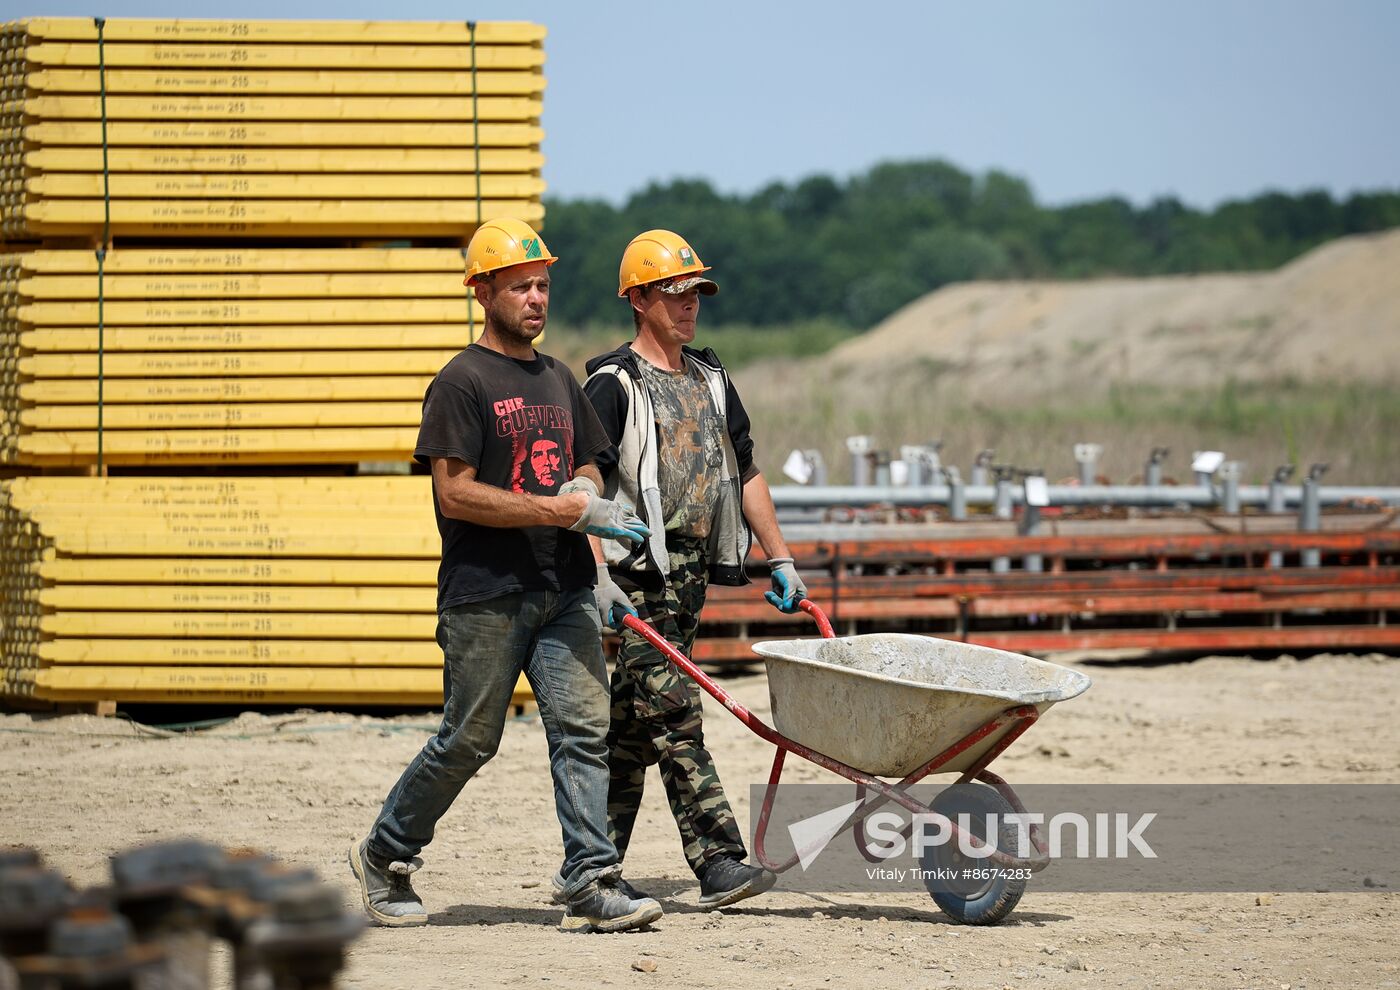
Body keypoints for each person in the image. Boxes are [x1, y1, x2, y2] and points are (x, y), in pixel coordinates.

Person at [348, 218, 664, 934]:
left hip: (564, 591)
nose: (535, 298)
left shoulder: (557, 376)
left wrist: (585, 500)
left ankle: (591, 879)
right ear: (482, 290)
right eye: (520, 285)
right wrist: (558, 512)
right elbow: (454, 492)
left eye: (544, 285)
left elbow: (588, 460)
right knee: (469, 738)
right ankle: (384, 851)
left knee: (584, 729)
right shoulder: (460, 382)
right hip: (485, 593)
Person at [579, 229, 808, 908]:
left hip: (691, 576)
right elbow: (582, 485)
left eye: (697, 294)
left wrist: (782, 557)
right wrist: (598, 577)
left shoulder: (711, 380)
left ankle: (591, 868)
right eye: (677, 294)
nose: (690, 307)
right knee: (676, 713)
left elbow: (748, 472)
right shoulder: (612, 385)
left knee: (629, 733)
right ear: (640, 299)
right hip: (638, 574)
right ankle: (718, 860)